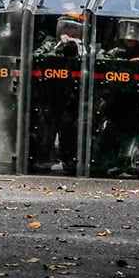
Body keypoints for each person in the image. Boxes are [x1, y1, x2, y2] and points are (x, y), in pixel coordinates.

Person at [30, 12, 88, 174]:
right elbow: (36, 58)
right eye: (66, 29)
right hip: (48, 93)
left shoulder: (86, 48)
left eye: (75, 31)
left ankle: (71, 161)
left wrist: (78, 51)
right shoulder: (50, 43)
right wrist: (58, 50)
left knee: (71, 128)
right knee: (45, 127)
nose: (69, 34)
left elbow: (95, 63)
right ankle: (43, 159)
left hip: (75, 96)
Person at [92, 18, 139, 177]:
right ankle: (104, 162)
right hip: (114, 102)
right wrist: (121, 61)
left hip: (136, 102)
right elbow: (100, 63)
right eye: (126, 29)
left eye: (135, 30)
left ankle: (129, 162)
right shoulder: (112, 51)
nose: (130, 35)